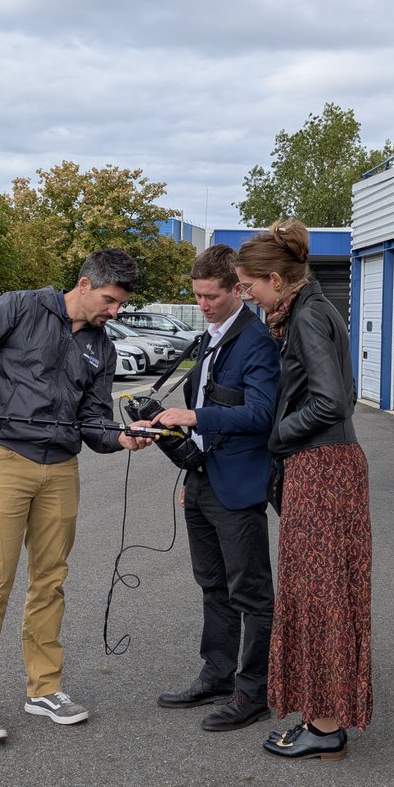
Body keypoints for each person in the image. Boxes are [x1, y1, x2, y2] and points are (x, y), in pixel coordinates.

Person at [0, 249, 152, 746]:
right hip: (6, 460)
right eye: (110, 300)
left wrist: (123, 437)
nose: (114, 312)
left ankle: (44, 688)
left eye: (120, 305)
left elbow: (95, 421)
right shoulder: (21, 307)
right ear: (83, 284)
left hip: (62, 468)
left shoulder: (102, 348)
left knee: (50, 581)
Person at [234, 220, 373, 761]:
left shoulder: (310, 315)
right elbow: (348, 390)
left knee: (320, 598)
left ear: (275, 278)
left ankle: (326, 726)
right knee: (323, 594)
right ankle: (322, 716)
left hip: (322, 469)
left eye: (249, 286)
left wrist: (276, 435)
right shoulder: (308, 311)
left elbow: (333, 402)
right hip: (328, 464)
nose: (246, 294)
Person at [141, 245, 281, 731]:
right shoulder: (211, 336)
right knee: (212, 586)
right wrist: (190, 470)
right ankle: (218, 674)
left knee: (252, 593)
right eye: (197, 295)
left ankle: (254, 691)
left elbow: (263, 414)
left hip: (238, 487)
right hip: (203, 479)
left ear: (238, 290)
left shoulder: (257, 341)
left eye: (212, 296)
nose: (202, 304)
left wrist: (195, 415)